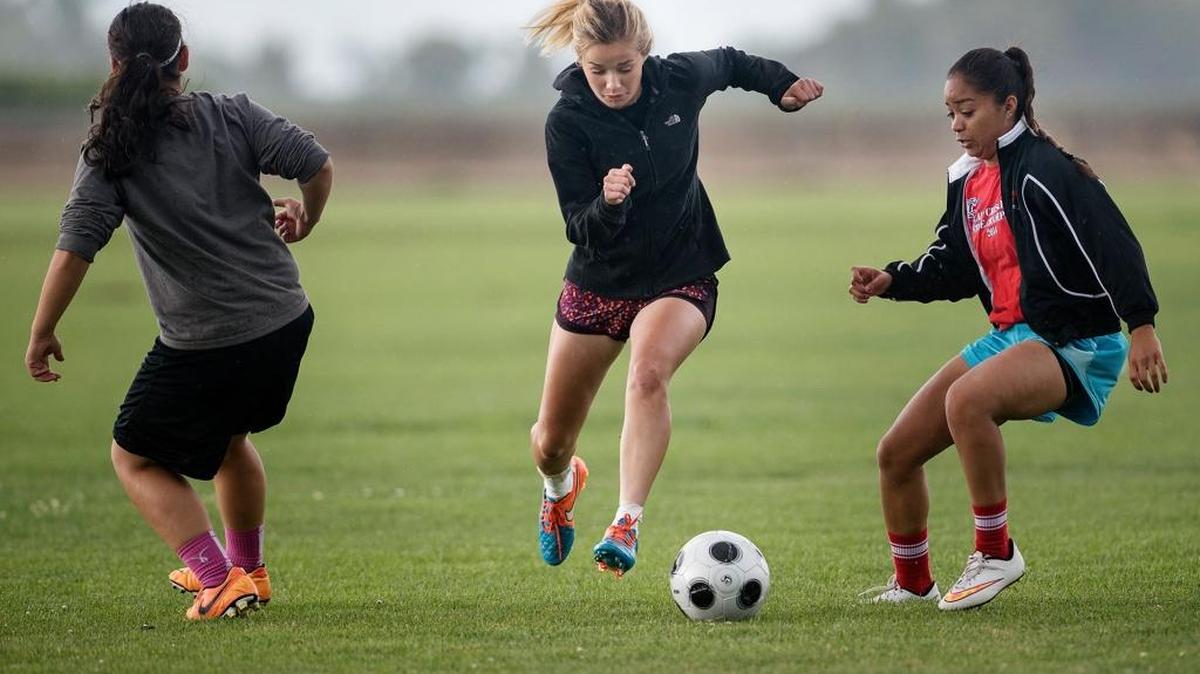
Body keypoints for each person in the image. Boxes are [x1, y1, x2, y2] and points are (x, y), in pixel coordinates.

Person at [23, 2, 333, 621]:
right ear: (183, 59)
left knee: (132, 453)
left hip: (208, 338)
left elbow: (76, 244)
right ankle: (251, 571)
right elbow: (317, 165)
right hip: (285, 318)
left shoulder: (111, 148)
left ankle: (217, 578)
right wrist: (307, 216)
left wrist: (42, 330)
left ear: (112, 66)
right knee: (227, 440)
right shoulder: (232, 115)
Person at [851, 47, 1167, 610]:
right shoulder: (970, 181)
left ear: (1008, 105)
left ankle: (996, 552)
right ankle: (913, 584)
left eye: (967, 111)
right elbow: (953, 264)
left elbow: (1114, 244)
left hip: (1075, 341)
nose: (956, 125)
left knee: (967, 401)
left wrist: (1141, 325)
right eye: (949, 113)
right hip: (1012, 336)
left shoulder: (1049, 170)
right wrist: (892, 281)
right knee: (895, 453)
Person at [524, 0, 824, 576]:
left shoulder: (680, 80)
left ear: (646, 56)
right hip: (599, 283)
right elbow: (576, 224)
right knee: (550, 443)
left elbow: (733, 63)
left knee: (648, 374)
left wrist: (781, 86)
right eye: (598, 71)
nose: (612, 83)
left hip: (680, 271)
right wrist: (608, 204)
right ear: (581, 64)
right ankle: (560, 487)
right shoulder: (567, 121)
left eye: (624, 69)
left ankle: (626, 522)